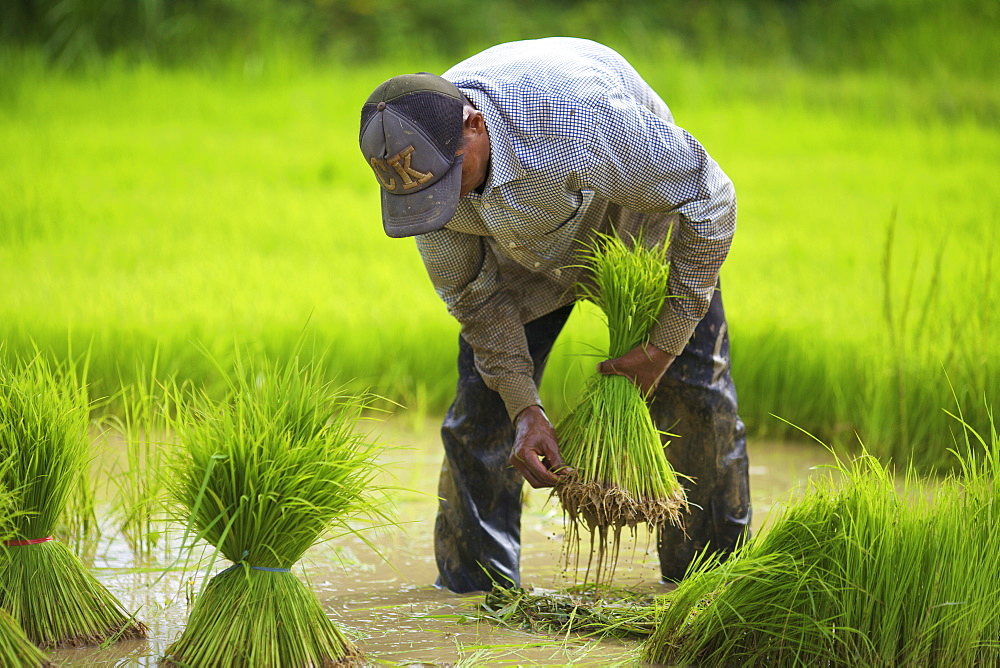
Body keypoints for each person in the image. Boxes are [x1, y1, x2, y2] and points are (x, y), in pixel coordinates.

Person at [359, 37, 750, 594]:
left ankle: (712, 586)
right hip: (520, 260)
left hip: (634, 230)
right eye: (428, 198)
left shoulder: (571, 121)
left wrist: (664, 343)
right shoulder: (428, 189)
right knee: (484, 414)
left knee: (696, 400)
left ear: (472, 123)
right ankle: (476, 595)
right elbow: (472, 295)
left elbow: (710, 198)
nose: (444, 205)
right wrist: (524, 407)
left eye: (452, 180)